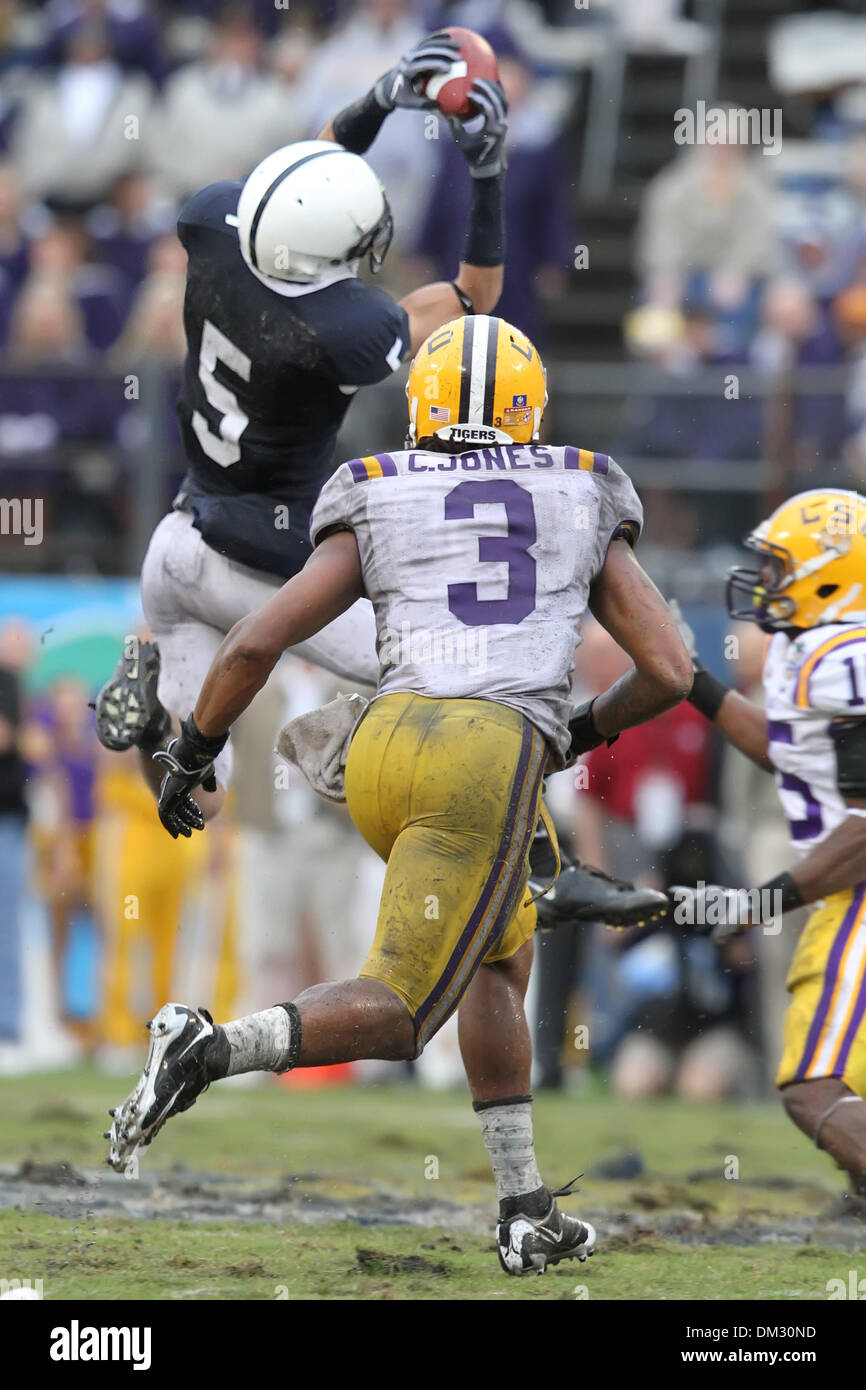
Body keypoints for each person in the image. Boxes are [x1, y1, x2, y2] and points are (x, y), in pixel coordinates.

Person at [106, 314, 694, 1275]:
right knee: (404, 1010)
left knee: (501, 950)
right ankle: (208, 1048)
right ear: (530, 407)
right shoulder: (582, 484)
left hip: (379, 745)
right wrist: (579, 731)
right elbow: (668, 669)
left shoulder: (377, 484)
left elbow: (255, 640)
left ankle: (525, 1208)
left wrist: (189, 751)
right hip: (484, 754)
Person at [93, 30, 664, 928]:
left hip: (175, 547)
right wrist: (486, 172)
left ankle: (154, 719)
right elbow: (477, 296)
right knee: (461, 674)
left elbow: (301, 176)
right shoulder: (339, 331)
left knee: (197, 787)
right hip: (259, 564)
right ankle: (544, 868)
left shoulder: (212, 225)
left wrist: (381, 97)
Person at [673, 489, 866, 1197]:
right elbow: (789, 752)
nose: (764, 579)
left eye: (780, 566)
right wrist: (693, 682)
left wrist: (761, 901)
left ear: (830, 576)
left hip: (858, 896)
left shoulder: (845, 660)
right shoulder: (818, 651)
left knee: (813, 1087)